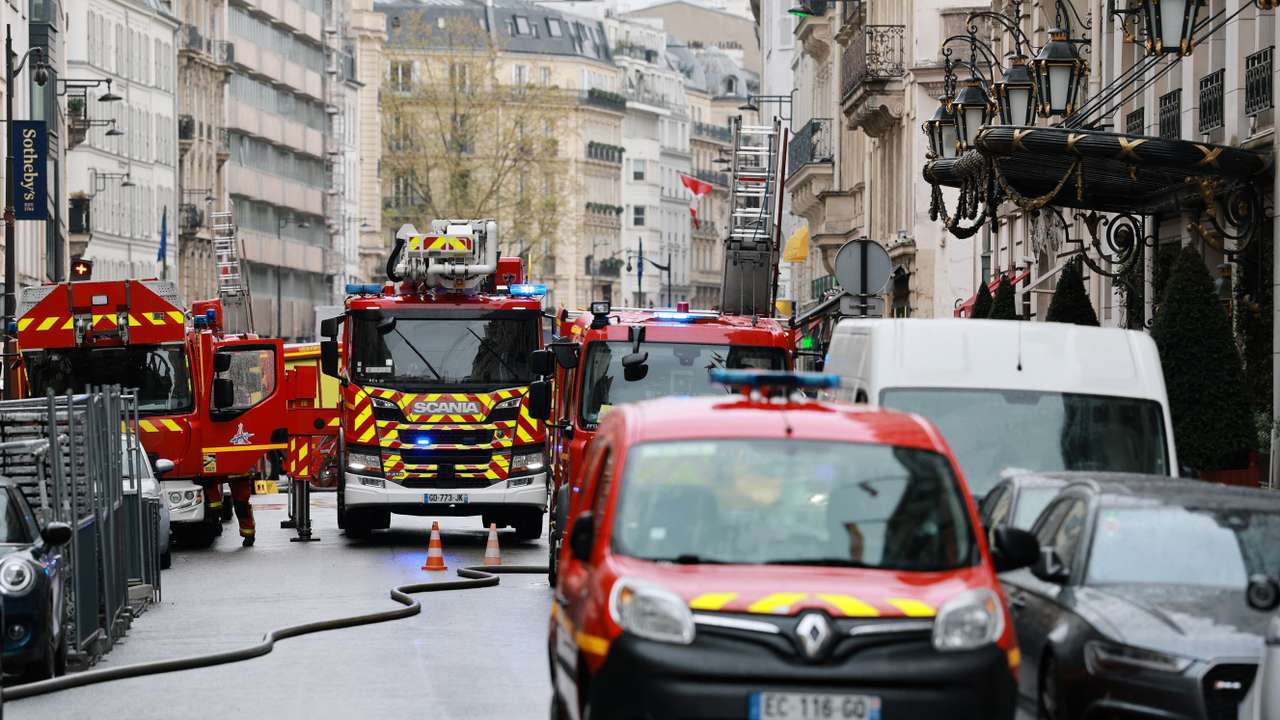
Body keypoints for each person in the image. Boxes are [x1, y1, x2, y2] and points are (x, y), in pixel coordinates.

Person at [207, 477, 256, 547]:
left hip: (237, 472)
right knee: (213, 503)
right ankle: (214, 524)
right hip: (221, 472)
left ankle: (249, 535)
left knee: (241, 505)